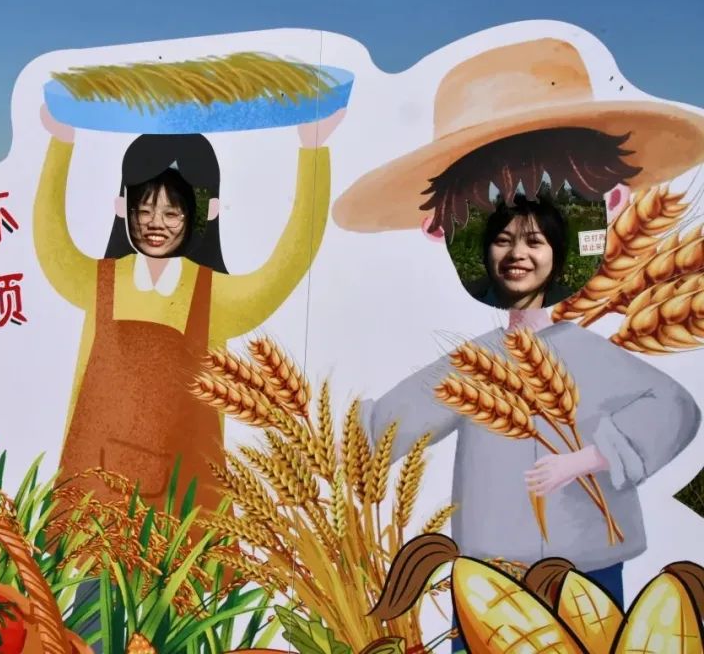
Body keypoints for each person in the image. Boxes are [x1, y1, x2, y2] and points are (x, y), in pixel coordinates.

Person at [330, 37, 704, 650]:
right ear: (446, 233)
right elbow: (388, 425)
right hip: (488, 579)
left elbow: (676, 409)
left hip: (586, 571)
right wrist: (319, 438)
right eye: (497, 234)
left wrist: (590, 457)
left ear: (603, 206)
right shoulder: (473, 364)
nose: (517, 254)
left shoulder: (588, 355)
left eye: (538, 235)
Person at [35, 103, 345, 514]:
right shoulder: (99, 282)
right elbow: (51, 240)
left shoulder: (216, 296)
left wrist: (313, 152)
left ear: (208, 212)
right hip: (91, 498)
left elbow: (287, 264)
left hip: (183, 508)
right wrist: (61, 142)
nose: (155, 223)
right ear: (120, 206)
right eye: (144, 209)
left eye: (172, 212)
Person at [464, 194, 575, 310]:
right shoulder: (457, 310)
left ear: (556, 254)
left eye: (534, 241)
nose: (516, 254)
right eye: (503, 240)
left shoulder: (578, 314)